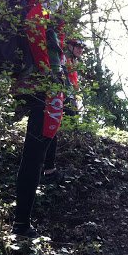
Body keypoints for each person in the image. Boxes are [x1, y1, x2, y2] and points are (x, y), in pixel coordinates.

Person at [11, 0, 85, 237]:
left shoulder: (47, 0)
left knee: (35, 152)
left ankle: (22, 221)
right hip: (45, 88)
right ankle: (21, 224)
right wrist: (48, 73)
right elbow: (33, 25)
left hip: (39, 85)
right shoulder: (53, 1)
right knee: (35, 153)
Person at [42, 38, 85, 183]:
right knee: (51, 130)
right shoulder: (63, 57)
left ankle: (51, 166)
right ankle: (48, 169)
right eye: (78, 46)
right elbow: (61, 77)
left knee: (62, 129)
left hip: (67, 97)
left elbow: (72, 81)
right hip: (59, 96)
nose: (81, 49)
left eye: (82, 47)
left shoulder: (73, 61)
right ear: (70, 46)